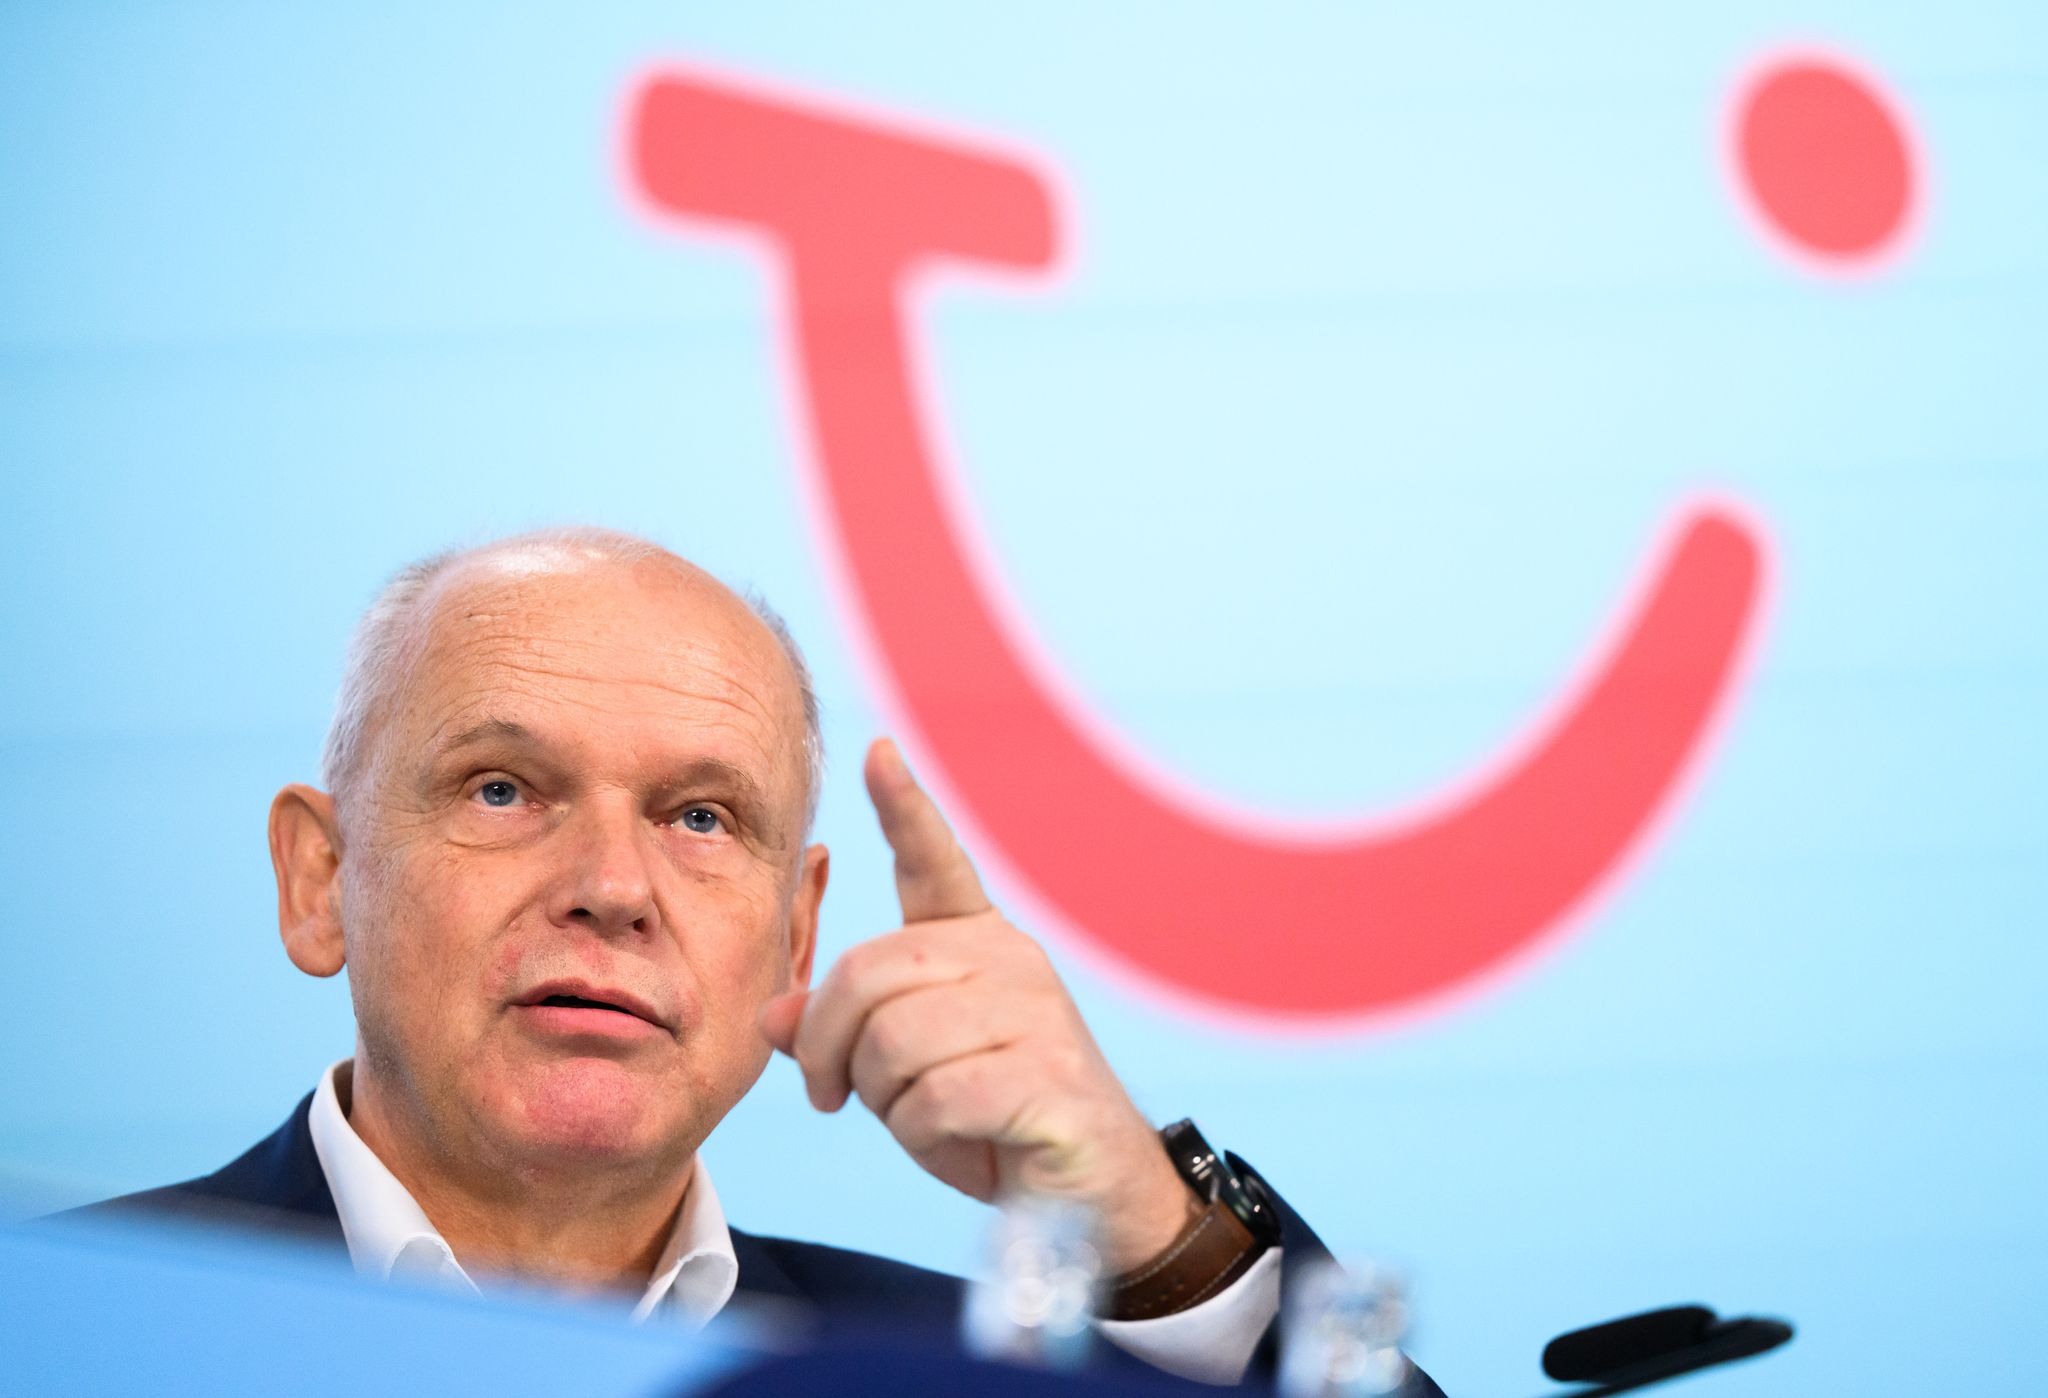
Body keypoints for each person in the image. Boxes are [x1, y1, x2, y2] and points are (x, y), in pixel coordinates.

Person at [75, 528, 1439, 1392]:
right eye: (502, 789)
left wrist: (1146, 1226)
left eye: (702, 818)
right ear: (318, 882)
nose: (615, 889)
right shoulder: (65, 1326)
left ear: (794, 935)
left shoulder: (949, 1377)